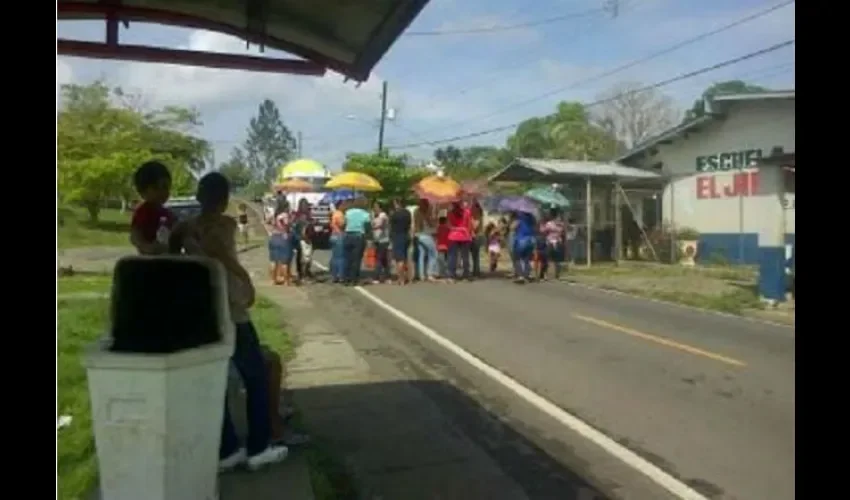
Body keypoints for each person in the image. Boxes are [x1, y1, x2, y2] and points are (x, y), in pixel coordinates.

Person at [171, 172, 288, 472]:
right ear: (224, 199)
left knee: (218, 380)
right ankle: (259, 447)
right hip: (232, 312)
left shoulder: (185, 228)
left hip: (206, 311)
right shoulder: (224, 224)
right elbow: (219, 252)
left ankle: (227, 448)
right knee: (257, 377)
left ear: (199, 197)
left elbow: (173, 251)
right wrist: (244, 277)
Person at [130, 161, 175, 255]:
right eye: (156, 188)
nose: (162, 192)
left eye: (165, 187)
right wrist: (146, 247)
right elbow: (135, 235)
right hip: (148, 259)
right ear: (142, 192)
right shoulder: (143, 212)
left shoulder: (167, 213)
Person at [343, 199, 371, 285]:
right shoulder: (365, 214)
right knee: (356, 259)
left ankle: (346, 277)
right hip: (359, 236)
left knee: (348, 258)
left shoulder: (348, 212)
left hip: (348, 235)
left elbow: (345, 223)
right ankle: (354, 278)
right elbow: (367, 227)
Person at [413, 198, 439, 282]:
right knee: (434, 253)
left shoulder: (416, 212)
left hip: (418, 235)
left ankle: (421, 275)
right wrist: (434, 218)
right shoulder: (426, 213)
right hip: (425, 235)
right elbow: (431, 224)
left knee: (421, 254)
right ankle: (430, 273)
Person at [446, 201, 472, 281]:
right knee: (465, 256)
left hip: (453, 236)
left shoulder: (450, 213)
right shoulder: (467, 212)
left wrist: (456, 229)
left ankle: (451, 275)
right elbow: (470, 226)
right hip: (465, 236)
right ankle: (466, 275)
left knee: (452, 257)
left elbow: (449, 226)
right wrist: (466, 232)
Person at [388, 199, 412, 285]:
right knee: (405, 257)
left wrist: (390, 237)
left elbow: (390, 226)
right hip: (406, 235)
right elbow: (409, 224)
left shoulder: (394, 214)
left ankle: (401, 279)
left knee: (399, 259)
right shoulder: (407, 213)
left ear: (397, 204)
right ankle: (407, 277)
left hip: (397, 236)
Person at [268, 209, 294, 286]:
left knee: (273, 261)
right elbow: (286, 224)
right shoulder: (284, 215)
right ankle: (286, 281)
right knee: (284, 262)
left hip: (274, 237)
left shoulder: (274, 216)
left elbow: (267, 223)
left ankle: (273, 280)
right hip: (283, 237)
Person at [540, 207, 566, 280]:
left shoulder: (549, 224)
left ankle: (545, 274)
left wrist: (542, 224)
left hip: (550, 242)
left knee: (547, 258)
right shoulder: (561, 224)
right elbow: (563, 232)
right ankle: (557, 275)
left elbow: (542, 231)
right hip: (558, 242)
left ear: (551, 215)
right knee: (557, 260)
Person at [512, 211, 537, 283]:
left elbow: (512, 227)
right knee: (527, 258)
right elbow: (535, 229)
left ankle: (521, 276)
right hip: (530, 241)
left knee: (517, 258)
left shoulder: (520, 218)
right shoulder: (532, 219)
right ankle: (528, 274)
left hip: (521, 241)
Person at [371, 202, 390, 284]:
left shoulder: (383, 215)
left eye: (376, 207)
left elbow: (384, 223)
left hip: (383, 240)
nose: (375, 209)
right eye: (374, 207)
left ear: (380, 208)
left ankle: (376, 278)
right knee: (383, 259)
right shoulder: (375, 216)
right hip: (377, 240)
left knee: (379, 258)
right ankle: (387, 277)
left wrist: (375, 227)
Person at [329, 201, 346, 283]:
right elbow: (341, 225)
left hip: (333, 235)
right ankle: (340, 275)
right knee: (341, 257)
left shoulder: (334, 214)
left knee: (334, 257)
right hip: (339, 235)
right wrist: (346, 221)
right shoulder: (339, 214)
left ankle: (334, 275)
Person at [469, 200, 485, 278]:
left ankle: (476, 271)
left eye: (474, 207)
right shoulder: (471, 216)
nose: (472, 209)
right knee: (473, 255)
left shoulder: (479, 217)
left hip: (476, 238)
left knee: (475, 255)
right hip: (471, 237)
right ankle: (475, 271)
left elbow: (475, 228)